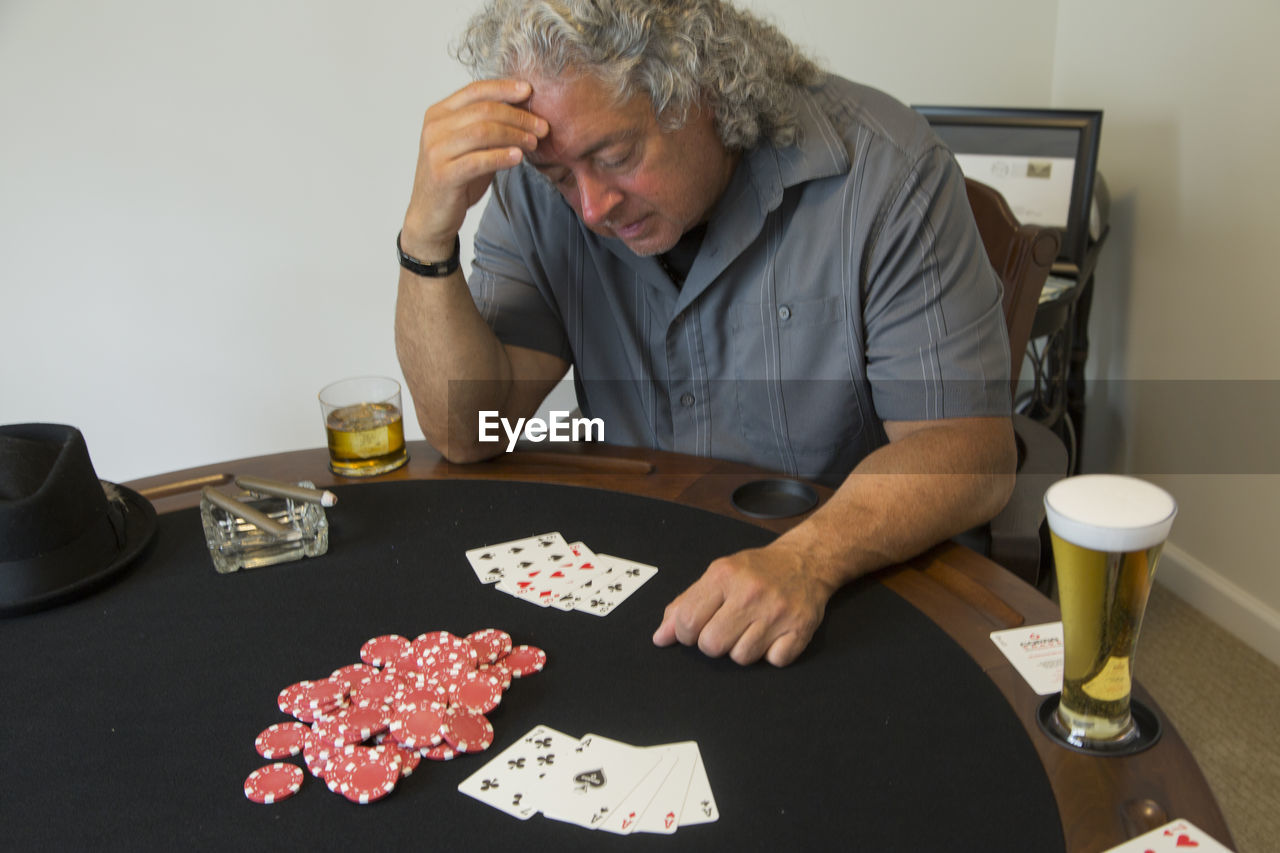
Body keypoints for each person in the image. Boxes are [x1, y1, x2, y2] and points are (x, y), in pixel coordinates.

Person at [394, 0, 1017, 667]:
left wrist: (811, 556)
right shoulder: (540, 192)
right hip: (648, 597)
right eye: (559, 175)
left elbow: (970, 451)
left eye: (615, 155)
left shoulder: (888, 173)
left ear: (706, 90)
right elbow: (468, 430)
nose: (592, 207)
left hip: (853, 591)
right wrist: (425, 237)